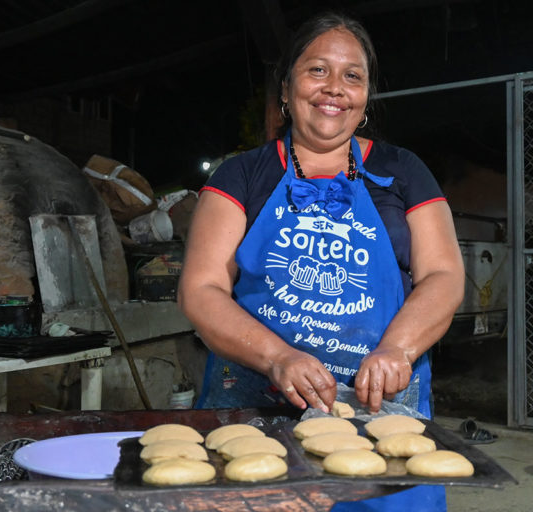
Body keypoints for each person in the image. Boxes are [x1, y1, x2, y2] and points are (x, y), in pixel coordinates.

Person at [178, 11, 464, 511]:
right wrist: (278, 357)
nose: (335, 87)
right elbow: (201, 289)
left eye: (353, 75)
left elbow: (443, 274)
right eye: (317, 70)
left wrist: (397, 349)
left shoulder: (403, 172)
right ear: (286, 88)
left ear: (366, 97)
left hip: (381, 411)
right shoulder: (241, 175)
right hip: (258, 408)